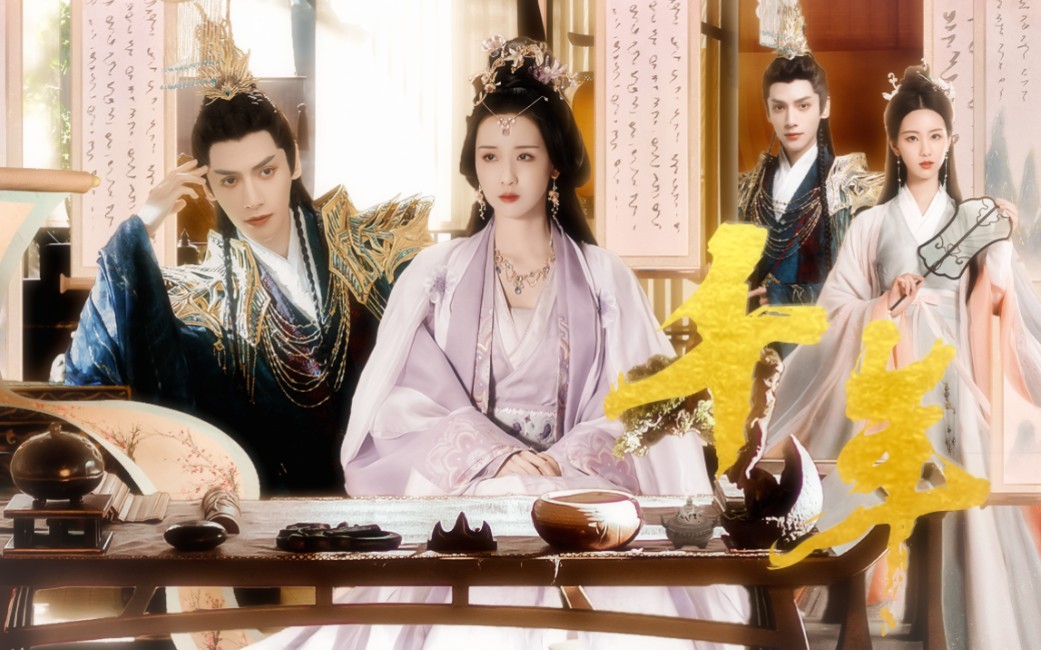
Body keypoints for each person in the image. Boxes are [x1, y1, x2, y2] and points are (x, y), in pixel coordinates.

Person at [253, 36, 749, 649]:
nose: (506, 176)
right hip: (473, 491)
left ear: (554, 164)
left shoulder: (604, 278)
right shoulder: (436, 277)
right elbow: (402, 400)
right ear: (474, 167)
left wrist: (563, 462)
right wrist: (494, 457)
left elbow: (637, 404)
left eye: (525, 156)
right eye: (490, 157)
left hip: (577, 488)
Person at [765, 65, 1041, 649]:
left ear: (950, 141)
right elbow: (835, 310)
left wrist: (999, 246)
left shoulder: (969, 218)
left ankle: (964, 625)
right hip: (890, 381)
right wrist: (883, 305)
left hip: (954, 379)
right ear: (894, 145)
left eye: (935, 136)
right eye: (913, 138)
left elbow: (992, 301)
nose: (925, 149)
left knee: (966, 501)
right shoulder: (872, 224)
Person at [64, 76, 431, 496]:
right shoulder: (202, 303)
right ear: (208, 188)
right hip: (268, 505)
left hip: (385, 492)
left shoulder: (372, 251)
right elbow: (98, 370)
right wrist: (143, 223)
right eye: (230, 180)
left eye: (266, 171)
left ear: (294, 164)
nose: (252, 198)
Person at [739, 52, 881, 312]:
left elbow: (865, 287)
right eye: (779, 107)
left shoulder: (852, 191)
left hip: (821, 332)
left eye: (803, 106)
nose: (790, 120)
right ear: (767, 111)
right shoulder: (747, 189)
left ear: (824, 107)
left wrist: (789, 296)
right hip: (750, 331)